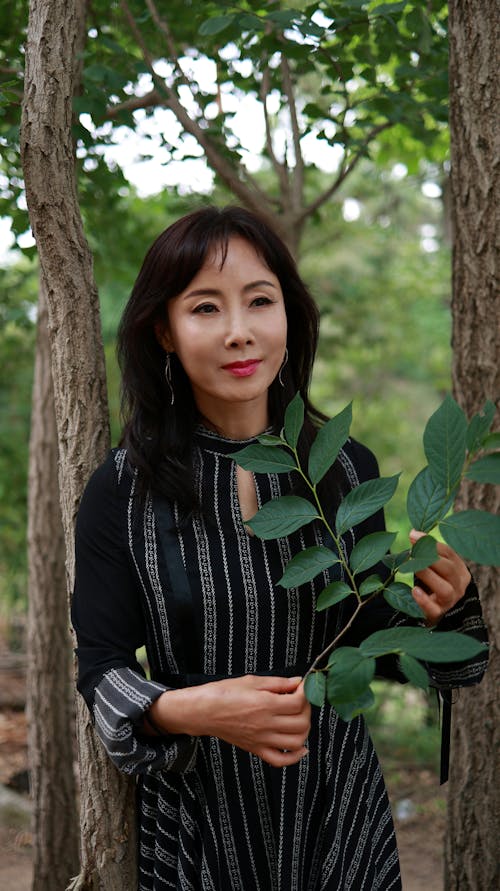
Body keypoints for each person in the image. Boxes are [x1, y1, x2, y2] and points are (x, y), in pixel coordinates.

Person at [72, 206, 488, 891]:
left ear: (289, 315)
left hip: (338, 817)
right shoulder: (124, 489)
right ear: (164, 331)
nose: (240, 332)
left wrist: (443, 611)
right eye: (206, 307)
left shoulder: (342, 468)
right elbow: (102, 670)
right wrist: (191, 708)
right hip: (199, 826)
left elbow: (368, 643)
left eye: (260, 301)